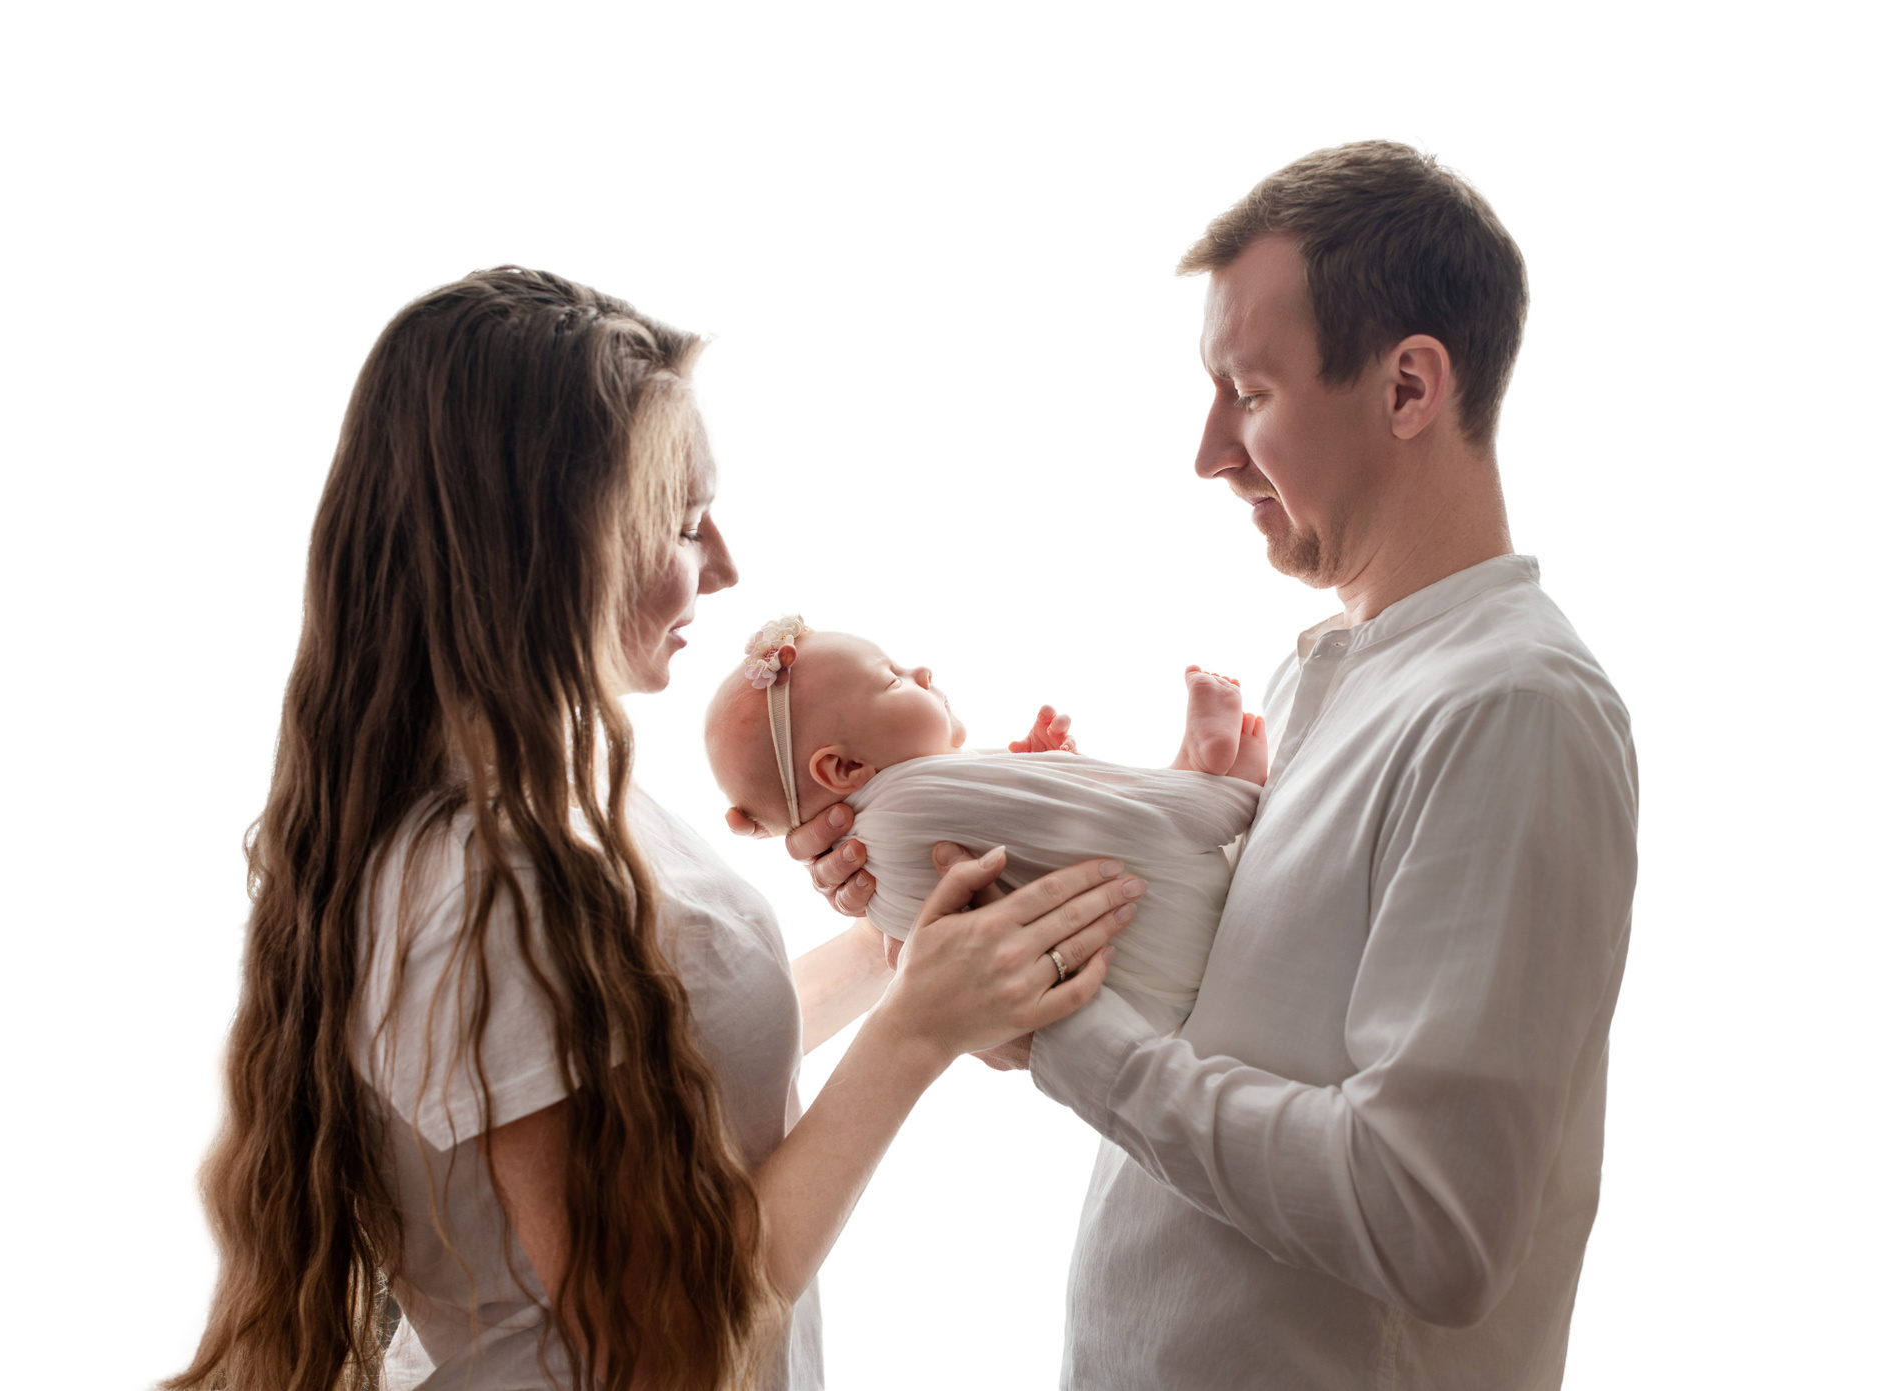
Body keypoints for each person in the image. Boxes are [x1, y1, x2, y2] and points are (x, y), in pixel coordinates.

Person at [166, 268, 1140, 1391]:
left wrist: (899, 951)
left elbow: (671, 1062)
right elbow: (658, 1348)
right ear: (552, 547)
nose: (724, 567)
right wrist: (916, 1033)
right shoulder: (478, 879)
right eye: (682, 525)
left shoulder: (558, 788)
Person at [783, 142, 1639, 1388]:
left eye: (1249, 391)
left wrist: (1067, 1038)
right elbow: (1224, 1034)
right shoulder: (1330, 676)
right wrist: (917, 884)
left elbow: (1428, 1221)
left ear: (1408, 387)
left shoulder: (1511, 711)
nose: (1209, 451)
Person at [705, 623, 1264, 1030]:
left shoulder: (873, 876)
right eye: (893, 680)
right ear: (846, 768)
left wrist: (1045, 769)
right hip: (1179, 910)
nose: (922, 672)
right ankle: (1206, 774)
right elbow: (1100, 818)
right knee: (1160, 821)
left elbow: (1036, 850)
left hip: (1147, 998)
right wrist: (1060, 775)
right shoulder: (911, 798)